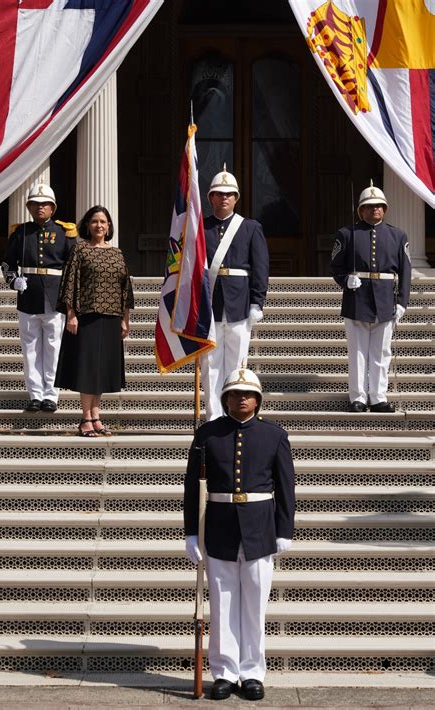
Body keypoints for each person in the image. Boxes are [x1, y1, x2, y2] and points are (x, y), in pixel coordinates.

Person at [184, 368, 295, 701]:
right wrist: (191, 532)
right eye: (235, 393)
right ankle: (224, 671)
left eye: (247, 394)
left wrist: (284, 528)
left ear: (258, 400)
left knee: (254, 604)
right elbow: (193, 488)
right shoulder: (206, 435)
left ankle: (251, 671)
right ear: (225, 398)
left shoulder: (274, 436)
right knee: (222, 603)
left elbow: (286, 487)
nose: (241, 398)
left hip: (260, 527)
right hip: (219, 527)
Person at [330, 180, 411, 413]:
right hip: (357, 299)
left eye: (379, 206)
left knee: (381, 351)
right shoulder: (346, 234)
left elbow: (405, 272)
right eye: (369, 206)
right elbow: (335, 267)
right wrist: (346, 280)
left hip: (386, 299)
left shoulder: (398, 236)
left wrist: (402, 302)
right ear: (361, 210)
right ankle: (357, 397)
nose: (375, 209)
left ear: (384, 209)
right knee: (357, 351)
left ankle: (378, 397)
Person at [55, 205, 134, 437]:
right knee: (88, 367)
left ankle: (96, 415)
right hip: (86, 316)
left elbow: (125, 289)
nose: (99, 225)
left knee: (102, 369)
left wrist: (125, 319)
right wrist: (71, 314)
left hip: (111, 318)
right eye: (94, 221)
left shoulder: (117, 253)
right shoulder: (80, 250)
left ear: (109, 226)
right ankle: (85, 418)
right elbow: (70, 282)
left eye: (103, 222)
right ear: (87, 226)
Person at [200, 165, 269, 421]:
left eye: (229, 193)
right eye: (219, 193)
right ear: (211, 198)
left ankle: (232, 415)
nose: (224, 197)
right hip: (210, 306)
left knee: (237, 364)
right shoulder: (200, 227)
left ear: (236, 198)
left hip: (239, 304)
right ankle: (212, 415)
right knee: (210, 366)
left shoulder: (250, 228)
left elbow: (260, 268)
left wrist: (257, 302)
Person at [2, 183, 77, 412]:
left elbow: (73, 267)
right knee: (30, 348)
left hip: (55, 297)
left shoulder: (64, 233)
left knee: (53, 348)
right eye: (34, 204)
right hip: (28, 296)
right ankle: (35, 393)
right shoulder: (20, 232)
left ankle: (51, 395)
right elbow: (7, 263)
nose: (39, 208)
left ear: (52, 208)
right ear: (29, 207)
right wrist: (13, 280)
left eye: (44, 204)